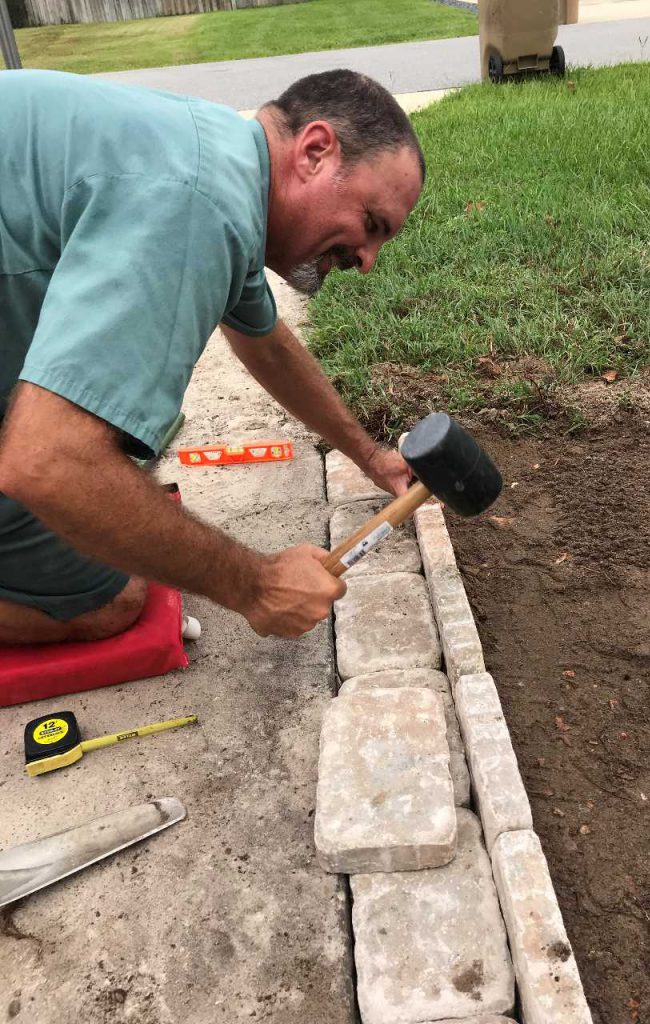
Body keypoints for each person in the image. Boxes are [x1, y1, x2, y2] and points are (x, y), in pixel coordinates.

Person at [0, 68, 425, 645]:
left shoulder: (223, 158)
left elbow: (266, 344)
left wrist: (370, 456)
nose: (368, 258)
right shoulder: (198, 206)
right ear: (316, 151)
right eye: (371, 224)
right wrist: (255, 585)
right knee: (106, 599)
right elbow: (47, 461)